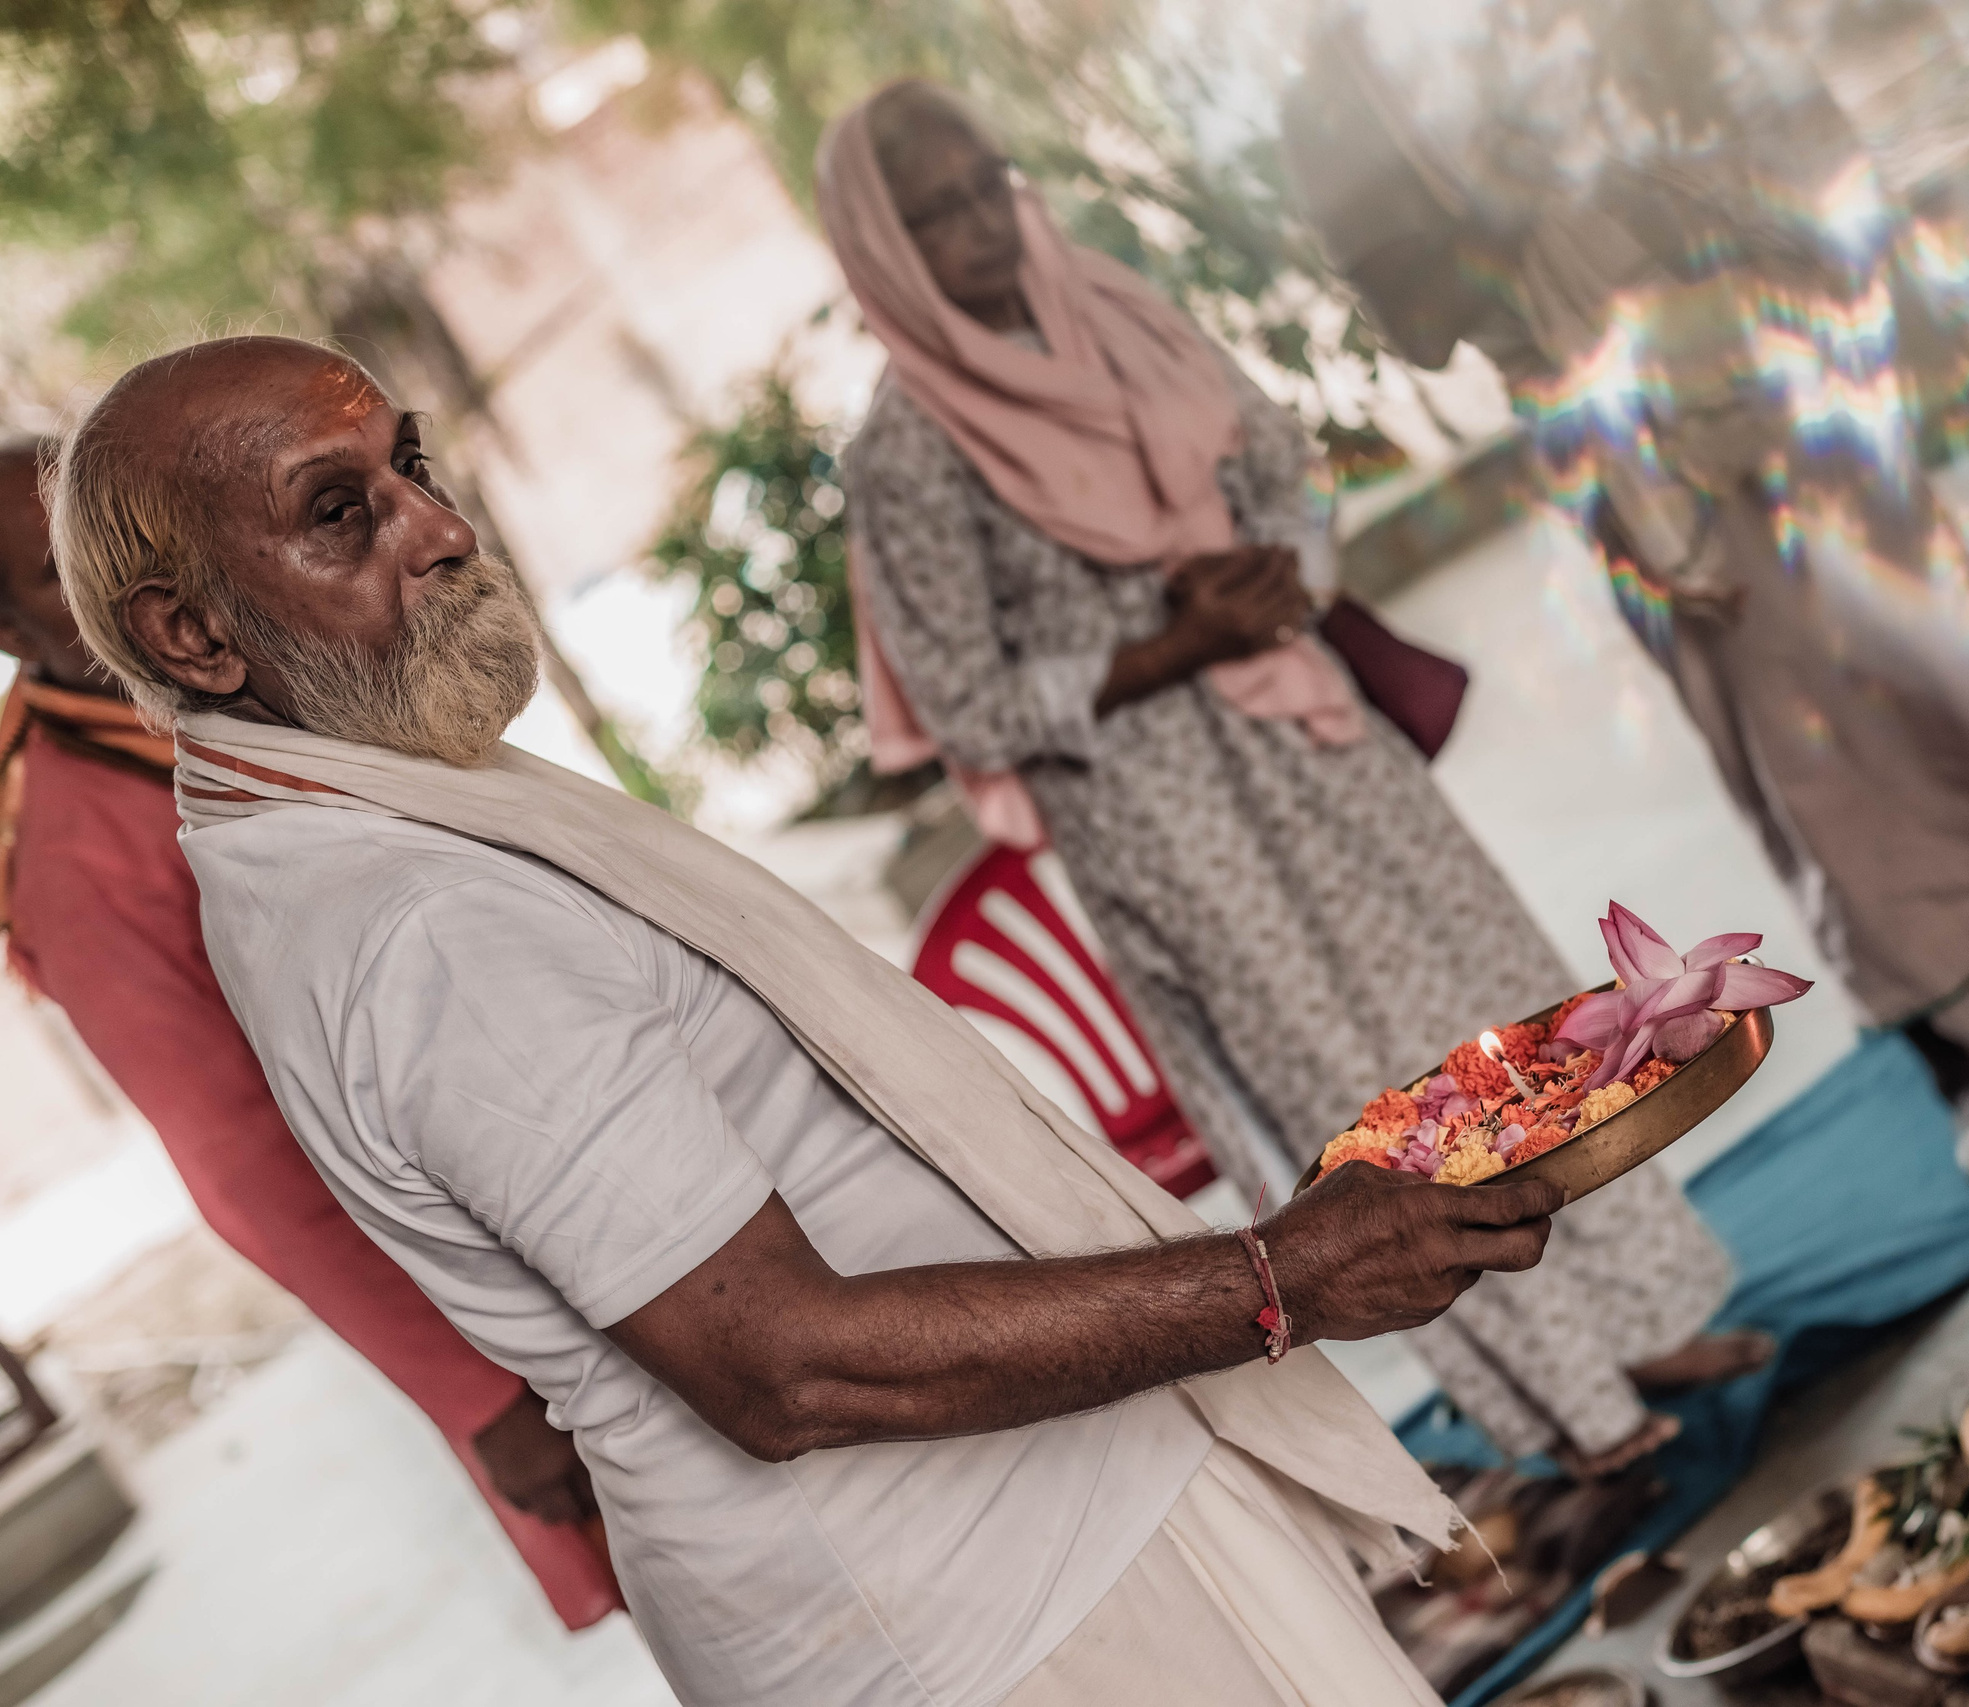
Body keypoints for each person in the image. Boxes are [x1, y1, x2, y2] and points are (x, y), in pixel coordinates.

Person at [45, 333, 1589, 1705]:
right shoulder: (420, 920)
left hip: (1023, 1549)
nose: (442, 528)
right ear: (191, 637)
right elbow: (784, 1366)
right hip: (987, 1606)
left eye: (409, 466)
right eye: (342, 512)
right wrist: (1284, 1274)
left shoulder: (353, 820)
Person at [820, 79, 1770, 1475]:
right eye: (934, 214)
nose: (978, 229)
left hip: (1314, 728)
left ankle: (1650, 1319)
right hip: (1166, 812)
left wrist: (1275, 571)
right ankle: (1580, 1412)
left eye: (985, 189)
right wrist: (1174, 643)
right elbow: (966, 698)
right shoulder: (906, 451)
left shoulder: (1120, 312)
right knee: (1374, 1096)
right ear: (882, 250)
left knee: (1498, 1021)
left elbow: (1282, 465)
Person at [1282, 12, 1969, 1184]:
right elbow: (1418, 326)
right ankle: (1960, 1077)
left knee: (1965, 667)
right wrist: (1514, 218)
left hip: (1777, 347)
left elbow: (1725, 89)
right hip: (1642, 451)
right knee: (1815, 765)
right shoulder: (1334, 98)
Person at [0, 439, 621, 1630]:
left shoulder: (243, 674)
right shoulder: (75, 854)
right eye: (48, 577)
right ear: (12, 632)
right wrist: (478, 1395)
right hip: (497, 1286)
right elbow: (239, 1163)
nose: (90, 590)